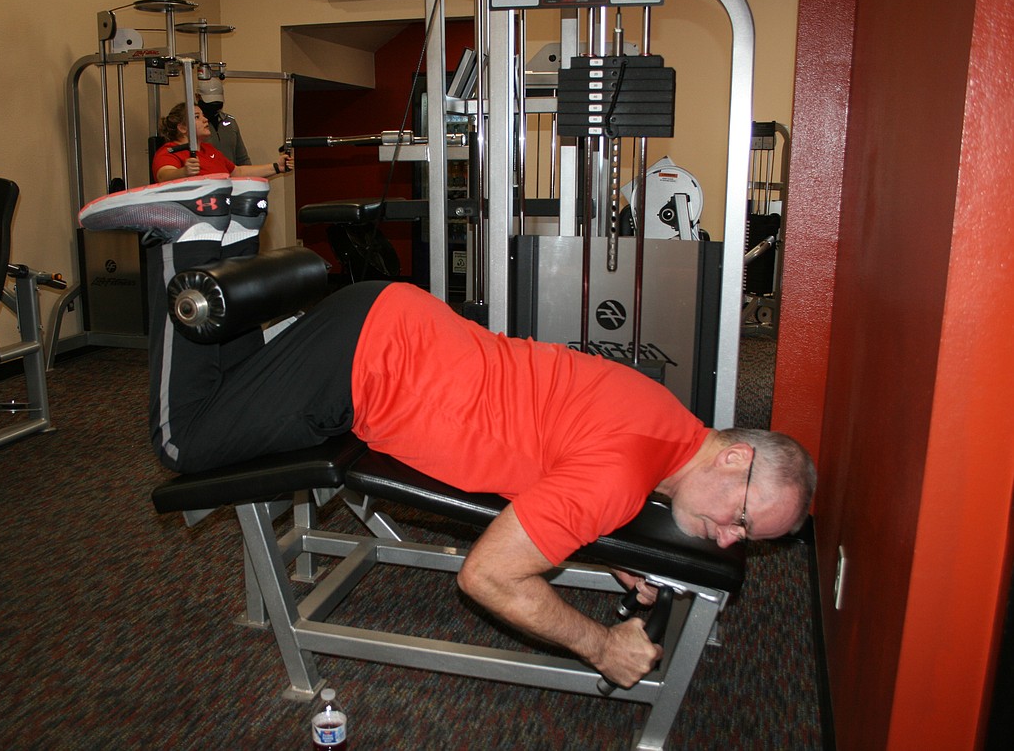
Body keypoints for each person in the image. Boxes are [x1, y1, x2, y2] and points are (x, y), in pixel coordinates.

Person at [78, 175, 817, 689]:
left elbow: (581, 460)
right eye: (742, 520)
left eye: (742, 540)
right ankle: (187, 241)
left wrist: (603, 537)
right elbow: (488, 577)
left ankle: (227, 231)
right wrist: (602, 646)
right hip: (365, 368)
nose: (726, 538)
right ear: (741, 457)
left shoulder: (666, 418)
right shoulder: (622, 476)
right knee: (183, 442)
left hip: (400, 327)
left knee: (234, 395)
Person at [151, 102, 292, 183]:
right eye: (197, 117)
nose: (205, 120)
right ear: (182, 128)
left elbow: (238, 171)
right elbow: (163, 176)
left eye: (203, 116)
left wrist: (276, 167)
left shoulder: (209, 150)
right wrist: (184, 172)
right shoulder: (169, 151)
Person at [197, 77, 252, 167]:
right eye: (210, 103)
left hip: (231, 176)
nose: (213, 107)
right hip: (207, 178)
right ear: (197, 97)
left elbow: (242, 159)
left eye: (217, 103)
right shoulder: (193, 126)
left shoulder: (230, 122)